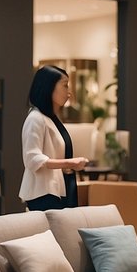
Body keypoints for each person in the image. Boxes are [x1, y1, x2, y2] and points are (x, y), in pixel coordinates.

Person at [19, 65, 88, 210]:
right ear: (49, 87)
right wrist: (69, 163)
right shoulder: (35, 118)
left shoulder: (51, 118)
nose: (69, 92)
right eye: (65, 86)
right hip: (44, 193)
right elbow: (32, 159)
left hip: (56, 189)